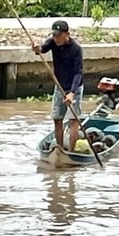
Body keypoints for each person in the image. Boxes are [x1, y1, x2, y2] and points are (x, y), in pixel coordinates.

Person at [33, 19, 84, 152]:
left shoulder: (76, 49)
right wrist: (38, 49)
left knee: (73, 120)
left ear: (67, 34)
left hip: (75, 87)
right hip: (59, 86)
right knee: (57, 119)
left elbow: (78, 73)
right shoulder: (53, 42)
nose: (56, 38)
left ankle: (71, 151)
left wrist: (72, 93)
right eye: (54, 35)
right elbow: (43, 49)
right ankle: (60, 149)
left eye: (59, 35)